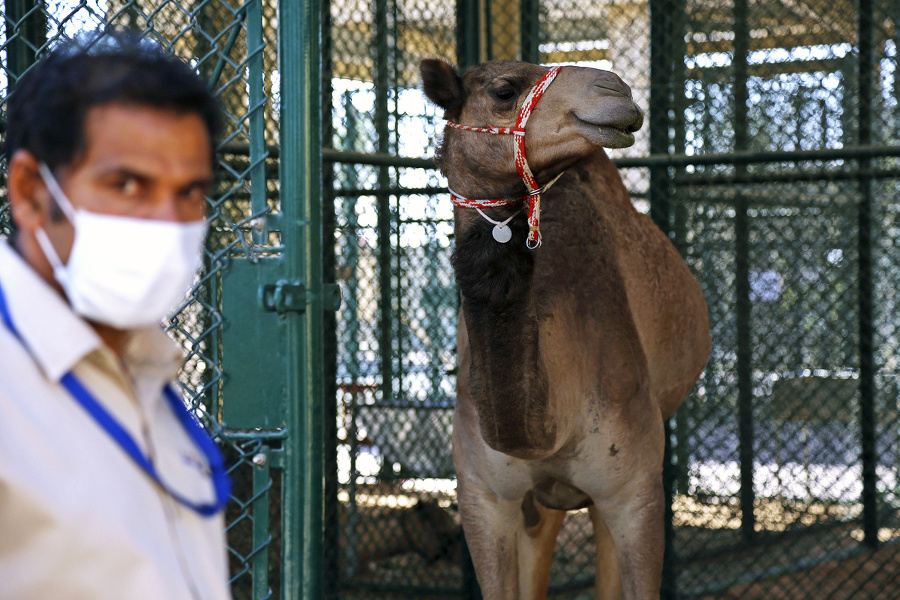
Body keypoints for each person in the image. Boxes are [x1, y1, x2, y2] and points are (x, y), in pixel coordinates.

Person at [0, 29, 233, 600]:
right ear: (31, 194)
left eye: (189, 192)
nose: (167, 222)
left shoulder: (145, 365)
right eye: (127, 184)